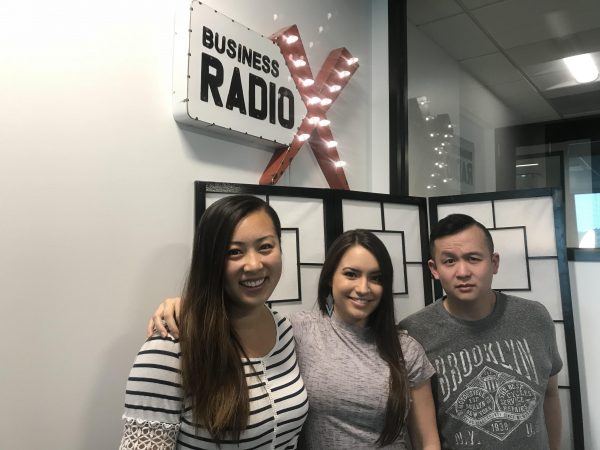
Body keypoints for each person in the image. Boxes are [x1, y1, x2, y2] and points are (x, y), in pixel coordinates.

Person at [149, 229, 441, 449]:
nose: (363, 288)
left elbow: (427, 441)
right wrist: (184, 305)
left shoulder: (405, 349)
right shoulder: (295, 330)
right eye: (351, 274)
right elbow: (236, 317)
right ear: (330, 278)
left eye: (376, 278)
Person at [119, 195, 309, 449]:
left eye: (265, 247)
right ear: (210, 261)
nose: (254, 265)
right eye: (234, 252)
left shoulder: (284, 330)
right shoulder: (170, 347)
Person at [399, 214, 562, 450]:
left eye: (473, 258)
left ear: (494, 262)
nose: (463, 271)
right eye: (449, 261)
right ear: (434, 269)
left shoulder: (535, 317)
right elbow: (421, 433)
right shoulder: (414, 333)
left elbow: (551, 395)